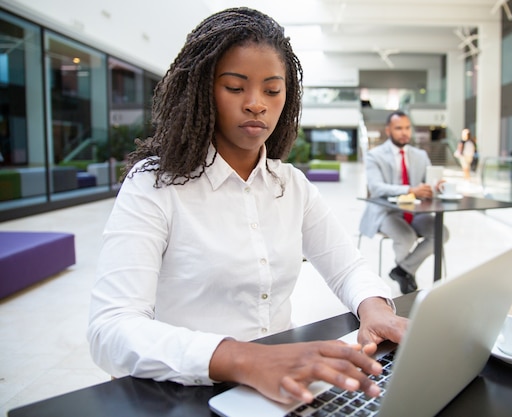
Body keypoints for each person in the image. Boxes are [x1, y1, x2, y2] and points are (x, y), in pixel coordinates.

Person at [86, 7, 407, 406]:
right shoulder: (153, 185)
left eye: (272, 90)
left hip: (281, 389)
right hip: (185, 392)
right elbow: (110, 329)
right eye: (236, 88)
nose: (257, 104)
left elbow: (347, 267)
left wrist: (374, 307)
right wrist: (244, 358)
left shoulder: (290, 185)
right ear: (201, 91)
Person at [359, 110, 449, 294]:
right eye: (398, 128)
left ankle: (403, 270)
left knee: (442, 232)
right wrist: (409, 190)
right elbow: (376, 188)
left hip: (414, 211)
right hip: (386, 212)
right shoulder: (374, 155)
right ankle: (406, 273)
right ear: (388, 130)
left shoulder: (420, 155)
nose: (404, 132)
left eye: (407, 128)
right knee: (406, 236)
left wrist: (436, 186)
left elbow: (427, 183)